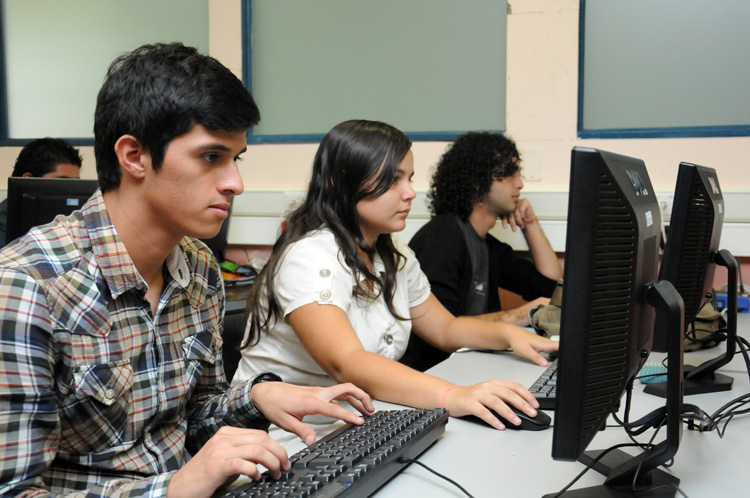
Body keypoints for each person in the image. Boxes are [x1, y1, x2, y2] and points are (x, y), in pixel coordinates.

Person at [0, 43, 374, 498]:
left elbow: (190, 419)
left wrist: (255, 398)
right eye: (211, 157)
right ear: (134, 156)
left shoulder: (198, 267)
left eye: (236, 159)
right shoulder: (28, 286)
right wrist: (173, 490)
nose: (235, 182)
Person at [233, 119, 558, 434]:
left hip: (357, 423)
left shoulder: (392, 252)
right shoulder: (309, 256)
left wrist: (510, 335)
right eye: (393, 180)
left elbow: (445, 328)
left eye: (409, 178)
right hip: (283, 437)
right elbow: (346, 362)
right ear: (340, 181)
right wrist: (454, 395)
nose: (410, 192)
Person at [400, 132, 563, 371]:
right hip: (436, 374)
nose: (519, 184)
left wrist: (530, 224)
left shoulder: (487, 245)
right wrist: (516, 316)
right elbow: (440, 329)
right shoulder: (441, 239)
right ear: (477, 182)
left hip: (471, 367)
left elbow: (549, 287)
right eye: (508, 173)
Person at [0, 137, 83, 246]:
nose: (71, 191)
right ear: (29, 180)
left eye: (76, 184)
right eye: (63, 182)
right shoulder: (3, 223)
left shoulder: (70, 219)